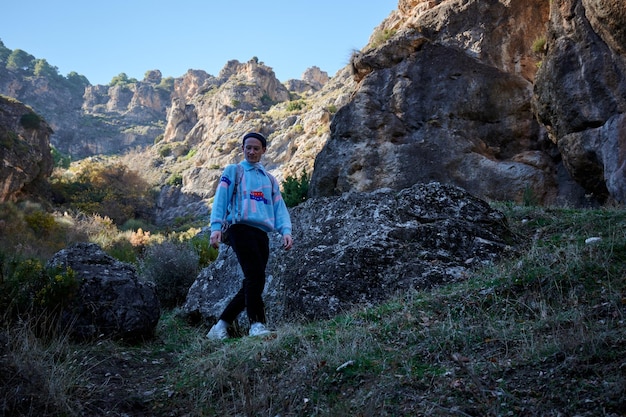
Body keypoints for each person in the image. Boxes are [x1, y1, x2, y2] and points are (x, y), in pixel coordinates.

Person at [206, 131, 293, 340]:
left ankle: (219, 327)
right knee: (255, 276)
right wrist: (216, 227)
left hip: (262, 233)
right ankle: (257, 325)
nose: (251, 151)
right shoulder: (233, 171)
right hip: (239, 228)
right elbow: (221, 199)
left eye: (256, 148)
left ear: (263, 150)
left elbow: (279, 207)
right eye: (248, 147)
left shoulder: (270, 180)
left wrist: (286, 231)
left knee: (252, 281)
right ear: (242, 149)